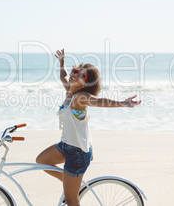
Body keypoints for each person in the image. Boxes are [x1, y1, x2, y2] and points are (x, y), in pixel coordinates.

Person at [36, 49, 142, 206]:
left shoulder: (81, 97)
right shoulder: (70, 91)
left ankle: (72, 185)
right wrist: (62, 62)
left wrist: (123, 103)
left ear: (86, 83)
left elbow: (100, 101)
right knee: (42, 161)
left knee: (72, 201)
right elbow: (63, 76)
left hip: (77, 153)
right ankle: (71, 183)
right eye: (75, 71)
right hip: (66, 146)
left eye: (80, 75)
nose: (74, 74)